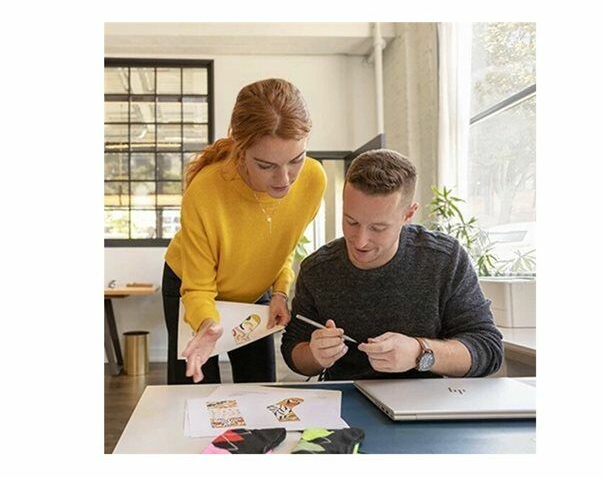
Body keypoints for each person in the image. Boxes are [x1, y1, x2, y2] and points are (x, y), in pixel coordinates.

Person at [281, 149, 503, 380]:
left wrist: (419, 352)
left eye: (378, 228)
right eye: (351, 222)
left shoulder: (444, 259)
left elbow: (488, 349)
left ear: (408, 214)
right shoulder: (318, 269)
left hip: (425, 397)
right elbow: (293, 350)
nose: (360, 241)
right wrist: (315, 355)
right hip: (343, 396)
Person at [162, 78, 327, 384]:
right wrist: (207, 323)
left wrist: (280, 292)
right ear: (241, 150)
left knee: (259, 384)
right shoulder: (206, 191)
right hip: (193, 286)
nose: (284, 180)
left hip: (255, 290)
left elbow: (285, 245)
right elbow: (198, 288)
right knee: (195, 388)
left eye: (296, 160)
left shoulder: (313, 180)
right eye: (266, 165)